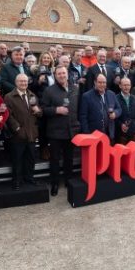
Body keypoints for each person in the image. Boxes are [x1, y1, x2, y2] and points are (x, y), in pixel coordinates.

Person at [41, 66, 79, 196]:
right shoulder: (49, 91)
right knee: (55, 160)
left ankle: (69, 181)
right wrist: (56, 110)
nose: (62, 75)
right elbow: (43, 109)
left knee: (69, 159)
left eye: (63, 73)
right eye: (59, 74)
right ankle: (55, 183)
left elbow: (79, 108)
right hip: (55, 132)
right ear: (55, 76)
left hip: (71, 131)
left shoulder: (75, 89)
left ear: (67, 74)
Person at [4, 73, 42, 189]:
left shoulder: (32, 95)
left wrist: (38, 111)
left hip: (31, 133)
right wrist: (17, 128)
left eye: (25, 81)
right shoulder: (9, 97)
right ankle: (16, 181)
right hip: (18, 135)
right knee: (17, 160)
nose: (23, 83)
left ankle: (29, 178)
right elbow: (8, 115)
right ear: (16, 82)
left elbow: (39, 113)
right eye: (21, 81)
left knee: (30, 158)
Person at [80, 74, 122, 141]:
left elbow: (119, 109)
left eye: (104, 82)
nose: (102, 84)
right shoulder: (86, 96)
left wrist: (115, 113)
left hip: (109, 134)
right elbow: (83, 117)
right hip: (93, 135)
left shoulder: (111, 94)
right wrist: (87, 134)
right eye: (99, 82)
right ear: (95, 82)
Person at [115, 77, 135, 144]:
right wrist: (121, 125)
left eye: (128, 85)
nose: (127, 87)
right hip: (120, 134)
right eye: (124, 85)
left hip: (133, 133)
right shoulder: (115, 98)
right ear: (120, 86)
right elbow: (113, 117)